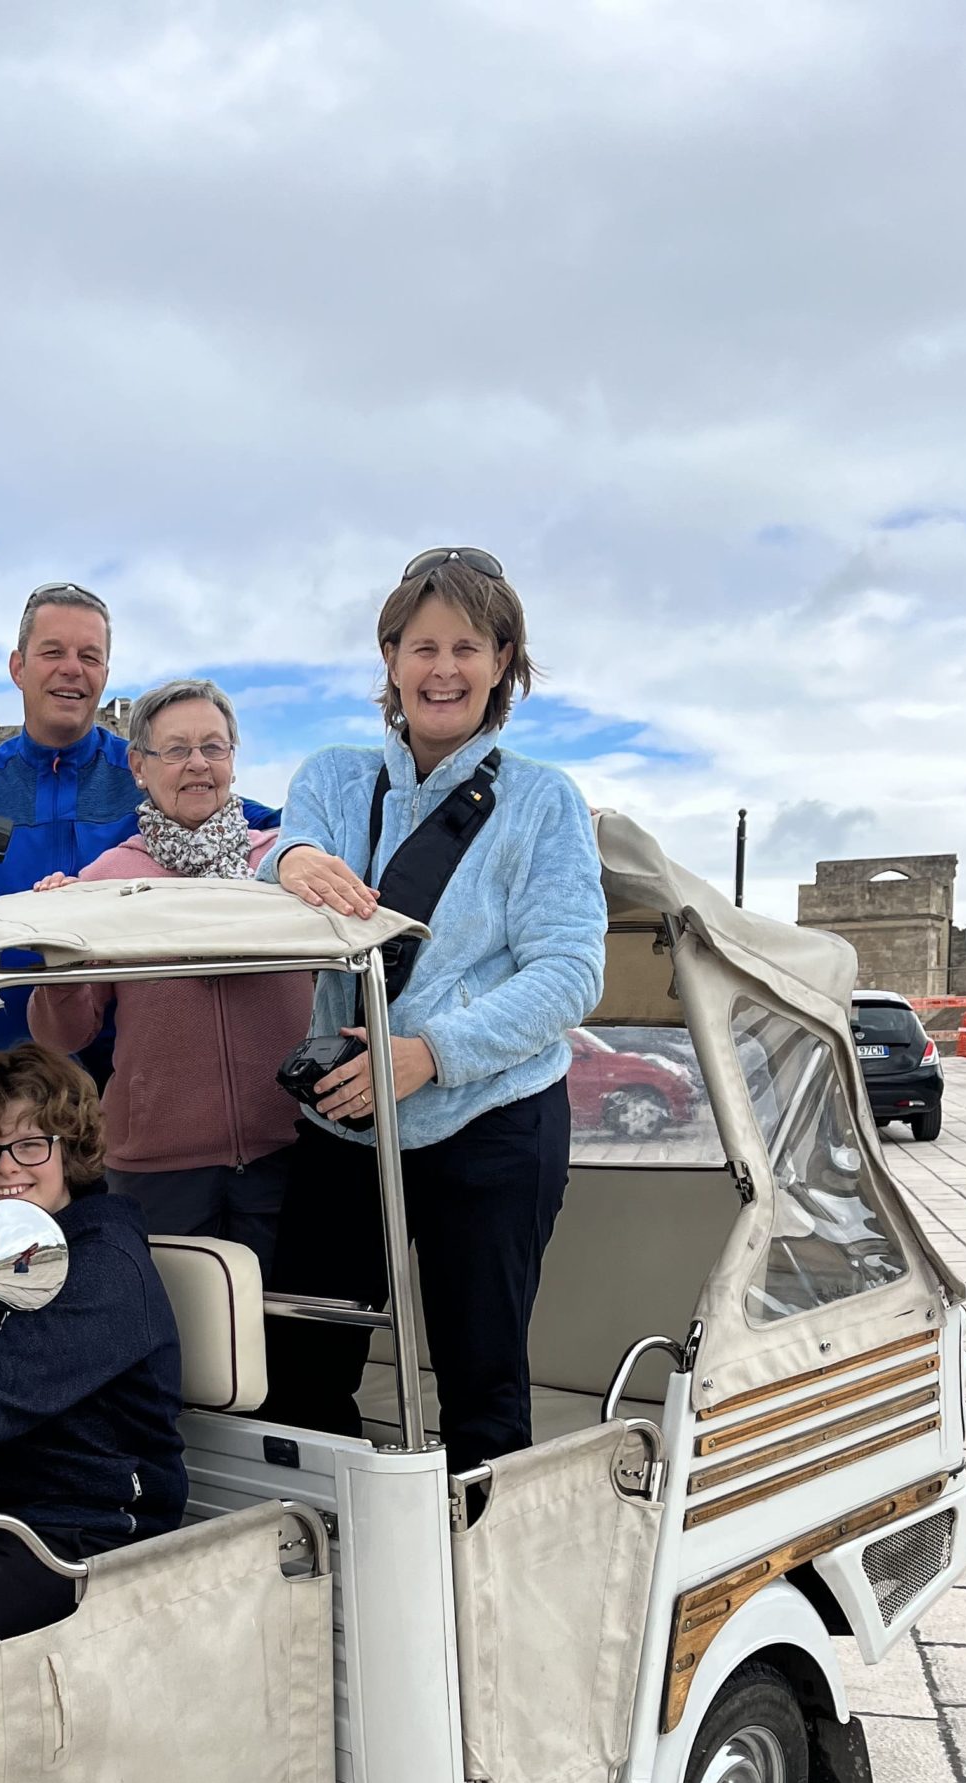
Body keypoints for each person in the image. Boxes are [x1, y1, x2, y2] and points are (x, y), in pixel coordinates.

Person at [259, 547, 606, 1475]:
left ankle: (476, 1552)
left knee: (481, 1379)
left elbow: (571, 971)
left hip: (492, 1119)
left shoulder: (542, 802)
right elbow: (283, 867)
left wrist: (428, 1053)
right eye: (422, 647)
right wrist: (287, 860)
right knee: (302, 1366)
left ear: (502, 663)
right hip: (345, 1119)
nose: (442, 669)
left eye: (466, 647)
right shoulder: (332, 779)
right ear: (390, 659)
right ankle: (333, 1536)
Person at [0, 583, 277, 1051]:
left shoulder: (147, 770)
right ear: (18, 668)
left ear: (104, 674)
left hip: (136, 1059)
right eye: (53, 652)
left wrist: (298, 850)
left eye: (89, 656)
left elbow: (257, 823)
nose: (72, 668)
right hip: (14, 1062)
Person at [0, 1042, 187, 1646]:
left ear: (69, 1150)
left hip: (81, 1526)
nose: (7, 1168)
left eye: (31, 1145)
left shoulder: (105, 1268)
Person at [26, 678, 312, 1266]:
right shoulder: (106, 880)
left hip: (295, 1152)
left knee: (293, 1323)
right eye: (177, 750)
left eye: (214, 747)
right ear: (139, 766)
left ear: (233, 758)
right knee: (173, 1323)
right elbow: (62, 1035)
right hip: (156, 1170)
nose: (198, 764)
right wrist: (56, 956)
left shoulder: (284, 863)